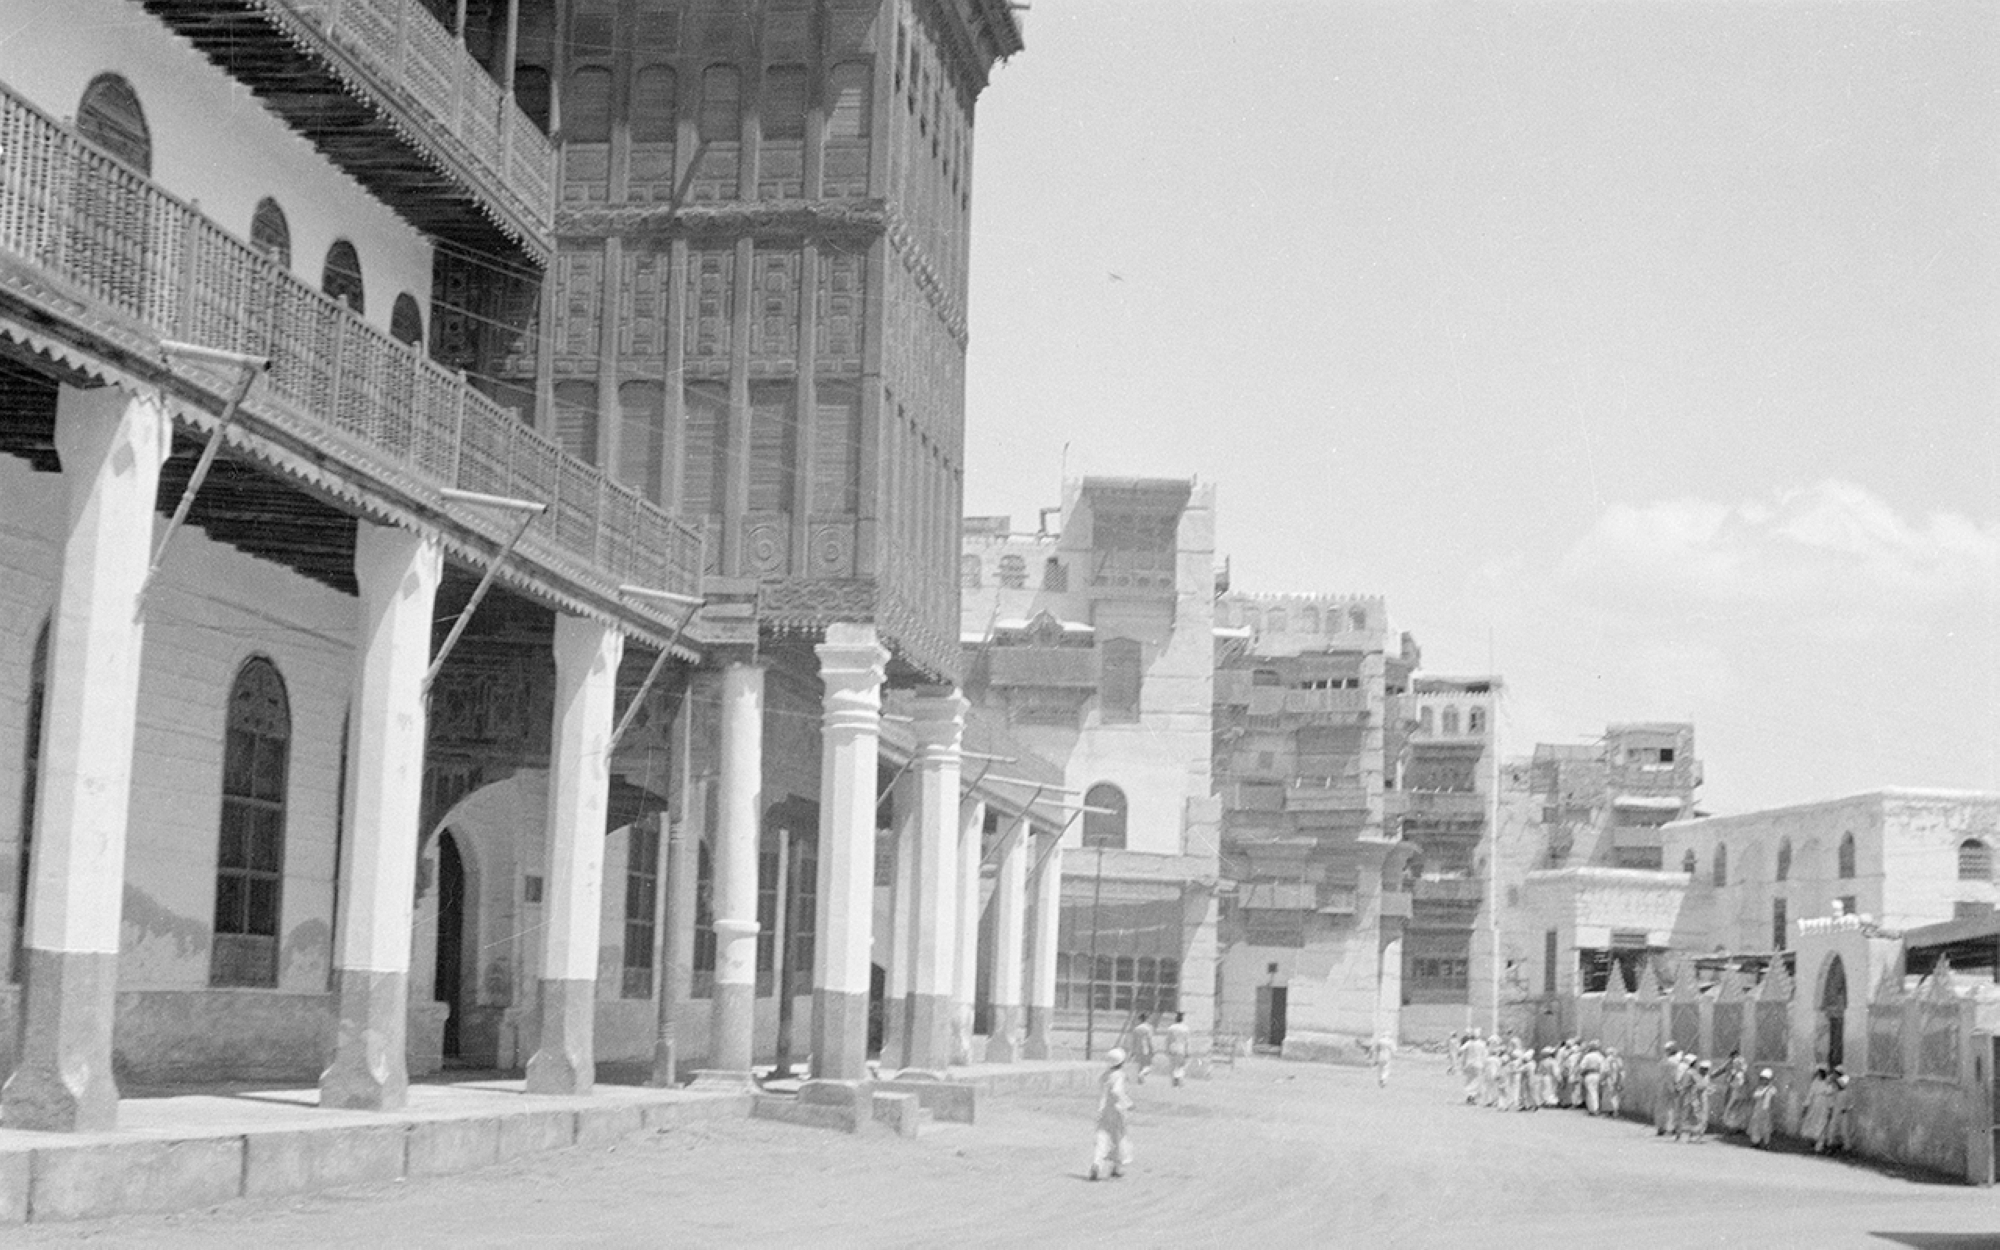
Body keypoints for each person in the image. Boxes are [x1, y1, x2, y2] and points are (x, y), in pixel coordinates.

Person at [1089, 1048, 1134, 1181]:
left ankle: (1097, 1163)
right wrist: (1128, 1103)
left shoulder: (1105, 1075)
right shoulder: (1119, 1075)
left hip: (1104, 1110)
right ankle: (1116, 1167)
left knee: (1102, 1137)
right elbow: (1116, 1091)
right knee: (1118, 1137)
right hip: (1117, 1110)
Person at [1800, 1065, 1834, 1152]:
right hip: (1815, 1105)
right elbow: (1810, 1095)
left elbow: (1830, 1095)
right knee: (1814, 1122)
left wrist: (1830, 1108)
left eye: (1821, 1072)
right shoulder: (1815, 1083)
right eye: (1818, 1072)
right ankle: (1814, 1141)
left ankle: (1820, 1145)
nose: (1819, 1074)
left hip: (1824, 1105)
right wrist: (1806, 1106)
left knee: (1822, 1123)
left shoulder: (1827, 1083)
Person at [1821, 1069, 1854, 1156]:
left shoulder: (1845, 1086)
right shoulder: (1834, 1087)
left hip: (1844, 1111)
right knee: (1832, 1128)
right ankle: (1831, 1146)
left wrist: (1846, 1108)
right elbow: (1828, 1091)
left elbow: (1843, 1087)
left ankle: (1847, 1148)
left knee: (1844, 1130)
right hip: (1836, 1109)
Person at [1719, 1052, 1750, 1133]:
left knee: (1732, 1109)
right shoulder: (1739, 1073)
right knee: (1735, 1110)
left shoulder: (1739, 1074)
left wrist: (1732, 1080)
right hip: (1738, 1093)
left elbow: (1738, 1084)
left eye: (1736, 1064)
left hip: (1737, 1094)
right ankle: (1733, 1127)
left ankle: (1732, 1127)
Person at [1747, 1068, 1778, 1148]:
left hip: (1767, 1111)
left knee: (1766, 1127)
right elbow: (1756, 1096)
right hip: (1758, 1110)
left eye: (1765, 1079)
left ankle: (1766, 1143)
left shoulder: (1772, 1089)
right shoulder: (1759, 1088)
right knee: (1756, 1125)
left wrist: (1768, 1089)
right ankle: (1755, 1141)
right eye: (1762, 1079)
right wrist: (1764, 1090)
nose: (1763, 1081)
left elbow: (1773, 1098)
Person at [1460, 1029, 1489, 1105]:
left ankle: (1470, 1095)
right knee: (1477, 1081)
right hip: (1479, 1064)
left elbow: (1461, 1049)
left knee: (1469, 1080)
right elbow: (1485, 1054)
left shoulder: (1469, 1043)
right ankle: (1473, 1096)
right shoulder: (1482, 1044)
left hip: (1469, 1064)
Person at [1164, 1012, 1192, 1087]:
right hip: (1181, 1048)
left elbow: (1168, 1040)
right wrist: (1188, 1051)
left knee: (1173, 1066)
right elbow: (1187, 1041)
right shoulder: (1185, 1028)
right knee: (1181, 1065)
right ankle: (1178, 1076)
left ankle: (1174, 1080)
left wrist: (1166, 1049)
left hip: (1172, 1048)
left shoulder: (1171, 1028)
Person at [1580, 1042, 1605, 1116]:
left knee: (1590, 1092)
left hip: (1588, 1074)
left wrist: (1582, 1073)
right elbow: (1603, 1067)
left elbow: (1582, 1066)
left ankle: (1592, 1109)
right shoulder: (1600, 1056)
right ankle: (1595, 1108)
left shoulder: (1587, 1056)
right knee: (1595, 1091)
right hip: (1597, 1074)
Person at [1131, 1014, 1156, 1084]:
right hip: (1146, 1048)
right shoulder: (1149, 1028)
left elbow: (1134, 1041)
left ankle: (1141, 1081)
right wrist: (1152, 1049)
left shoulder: (1136, 1028)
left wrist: (1133, 1051)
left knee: (1140, 1065)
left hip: (1138, 1049)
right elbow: (1150, 1039)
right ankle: (1141, 1075)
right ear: (1146, 1019)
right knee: (1149, 1066)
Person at [1603, 1047, 1626, 1118]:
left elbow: (1605, 1070)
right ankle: (1615, 1111)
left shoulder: (1608, 1060)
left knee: (1610, 1095)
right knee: (1615, 1096)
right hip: (1618, 1079)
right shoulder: (1619, 1060)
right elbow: (1622, 1070)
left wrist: (1602, 1079)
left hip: (1610, 1079)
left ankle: (1612, 1111)